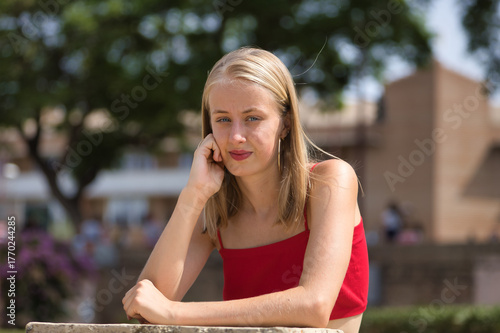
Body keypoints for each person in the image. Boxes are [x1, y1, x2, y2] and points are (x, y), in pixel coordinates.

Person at [122, 47, 369, 333]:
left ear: (285, 124)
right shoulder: (214, 209)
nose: (236, 137)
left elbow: (314, 305)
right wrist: (192, 196)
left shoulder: (330, 181)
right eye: (223, 119)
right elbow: (148, 306)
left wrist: (176, 313)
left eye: (253, 118)